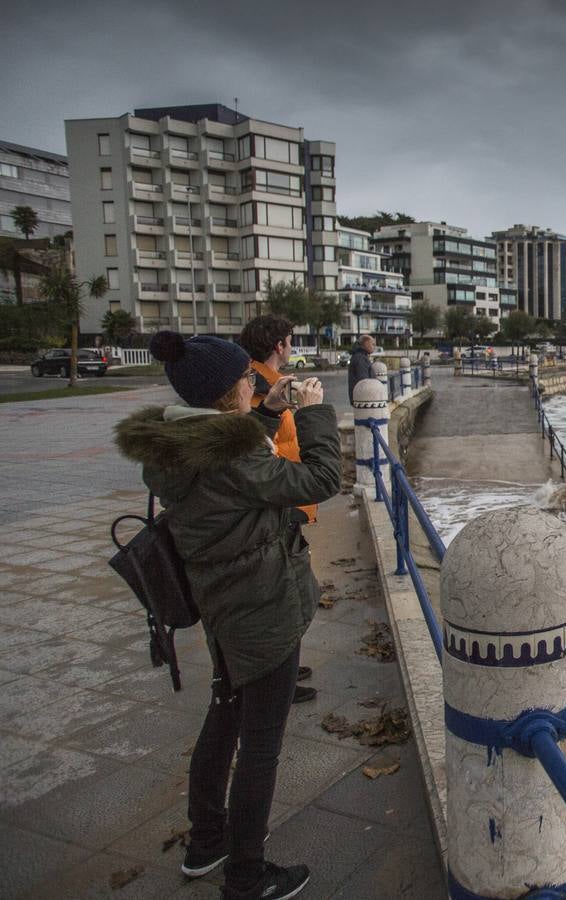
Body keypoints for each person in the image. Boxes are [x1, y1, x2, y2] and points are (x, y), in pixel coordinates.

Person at [114, 330, 339, 900]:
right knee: (260, 744)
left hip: (223, 602)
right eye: (248, 379)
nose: (254, 382)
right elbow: (318, 480)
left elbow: (229, 463)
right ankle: (246, 874)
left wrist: (266, 411)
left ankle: (206, 840)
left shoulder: (181, 445)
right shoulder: (233, 458)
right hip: (261, 607)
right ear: (223, 394)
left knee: (224, 719)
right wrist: (314, 415)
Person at [239, 315, 318, 705]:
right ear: (279, 345)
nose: (291, 346)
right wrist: (311, 414)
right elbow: (258, 444)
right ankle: (279, 677)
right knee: (286, 593)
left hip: (285, 494)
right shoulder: (255, 388)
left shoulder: (269, 385)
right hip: (280, 496)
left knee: (292, 588)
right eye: (290, 340)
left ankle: (286, 664)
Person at [347, 334, 376, 403]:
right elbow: (363, 381)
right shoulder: (360, 358)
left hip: (360, 398)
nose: (374, 347)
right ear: (366, 344)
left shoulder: (360, 356)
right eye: (373, 344)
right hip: (363, 399)